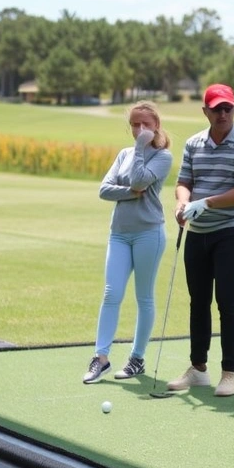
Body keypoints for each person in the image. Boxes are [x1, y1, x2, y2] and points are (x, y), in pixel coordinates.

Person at [167, 83, 234, 397]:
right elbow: (184, 182)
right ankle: (198, 369)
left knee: (227, 300)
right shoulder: (194, 143)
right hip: (198, 233)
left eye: (228, 108)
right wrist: (182, 203)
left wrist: (205, 203)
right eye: (216, 108)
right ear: (205, 111)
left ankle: (230, 372)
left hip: (231, 231)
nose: (223, 114)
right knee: (198, 302)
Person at [83, 102, 173, 384]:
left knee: (143, 297)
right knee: (112, 293)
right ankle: (101, 358)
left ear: (156, 125)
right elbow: (104, 190)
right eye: (135, 124)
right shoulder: (123, 154)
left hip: (149, 232)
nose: (139, 129)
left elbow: (139, 178)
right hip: (119, 233)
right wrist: (131, 193)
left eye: (145, 124)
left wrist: (140, 149)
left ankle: (137, 358)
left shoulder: (163, 156)